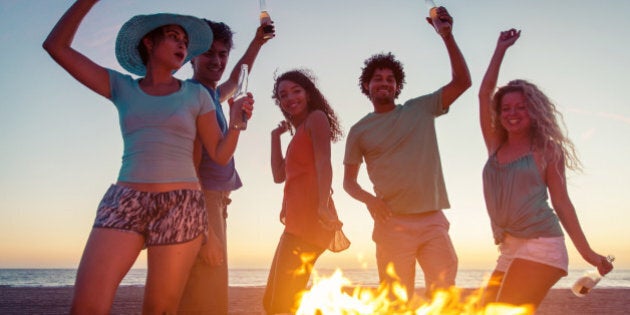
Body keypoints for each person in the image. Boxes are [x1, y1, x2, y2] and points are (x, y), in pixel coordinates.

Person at [42, 1, 253, 314]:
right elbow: (56, 46)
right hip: (125, 200)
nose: (182, 44)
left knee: (160, 310)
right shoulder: (122, 86)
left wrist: (236, 123)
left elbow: (220, 156)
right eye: (173, 36)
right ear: (149, 42)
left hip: (181, 205)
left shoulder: (196, 95)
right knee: (85, 307)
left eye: (185, 41)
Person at [477, 28, 613, 309]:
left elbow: (562, 203)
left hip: (542, 246)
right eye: (506, 108)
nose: (512, 114)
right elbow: (483, 94)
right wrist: (500, 50)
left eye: (520, 107)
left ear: (534, 111)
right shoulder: (495, 146)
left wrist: (587, 253)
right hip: (508, 249)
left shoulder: (546, 150)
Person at [343, 6, 471, 300]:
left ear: (397, 86)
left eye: (390, 79)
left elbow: (463, 82)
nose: (384, 82)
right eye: (378, 78)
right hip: (391, 225)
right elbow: (349, 183)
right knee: (396, 302)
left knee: (443, 299)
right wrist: (370, 201)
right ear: (367, 86)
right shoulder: (359, 130)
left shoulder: (421, 108)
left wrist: (447, 37)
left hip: (432, 221)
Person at [178, 19, 275, 315]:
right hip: (203, 200)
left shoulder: (209, 94)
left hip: (217, 201)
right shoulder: (193, 94)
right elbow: (190, 166)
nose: (217, 61)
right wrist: (207, 231)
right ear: (192, 56)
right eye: (209, 53)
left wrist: (258, 42)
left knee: (206, 289)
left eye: (223, 54)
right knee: (207, 293)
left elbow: (235, 78)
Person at [263, 69, 343, 314]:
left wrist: (322, 204)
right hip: (296, 224)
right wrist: (275, 136)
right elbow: (279, 175)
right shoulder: (297, 133)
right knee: (273, 302)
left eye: (296, 91)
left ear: (308, 93)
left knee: (281, 304)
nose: (290, 98)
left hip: (310, 220)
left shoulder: (316, 118)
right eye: (283, 95)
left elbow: (324, 162)